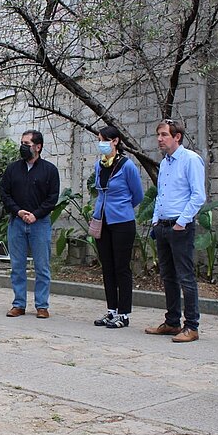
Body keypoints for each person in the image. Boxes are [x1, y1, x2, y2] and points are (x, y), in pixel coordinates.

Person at [145, 119, 206, 343]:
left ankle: (191, 326)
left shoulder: (190, 160)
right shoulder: (165, 164)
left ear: (177, 137)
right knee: (168, 276)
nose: (159, 139)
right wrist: (155, 220)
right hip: (162, 225)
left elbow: (198, 195)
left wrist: (182, 221)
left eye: (164, 135)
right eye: (158, 135)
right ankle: (172, 321)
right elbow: (161, 194)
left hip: (180, 227)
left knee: (185, 277)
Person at [0, 130, 60, 318]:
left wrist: (36, 215)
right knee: (17, 266)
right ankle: (19, 304)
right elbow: (4, 194)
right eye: (22, 143)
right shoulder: (12, 169)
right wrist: (17, 211)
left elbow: (52, 198)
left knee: (42, 266)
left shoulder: (50, 170)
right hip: (17, 222)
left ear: (38, 147)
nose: (23, 147)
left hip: (39, 223)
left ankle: (42, 306)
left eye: (27, 144)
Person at [90, 126, 144, 329]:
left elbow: (138, 195)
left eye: (104, 140)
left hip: (122, 221)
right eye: (99, 140)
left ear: (115, 141)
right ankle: (111, 310)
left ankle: (124, 313)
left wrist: (122, 208)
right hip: (102, 220)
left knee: (122, 267)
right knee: (107, 266)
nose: (101, 144)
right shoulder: (99, 165)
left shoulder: (127, 166)